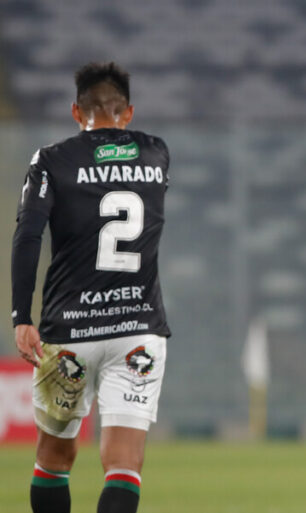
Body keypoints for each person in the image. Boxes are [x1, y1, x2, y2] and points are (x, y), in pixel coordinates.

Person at [12, 62, 171, 513]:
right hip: (137, 328)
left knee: (53, 460)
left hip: (69, 332)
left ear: (75, 111)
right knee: (123, 465)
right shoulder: (156, 153)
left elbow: (27, 236)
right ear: (129, 111)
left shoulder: (52, 160)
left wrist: (22, 317)